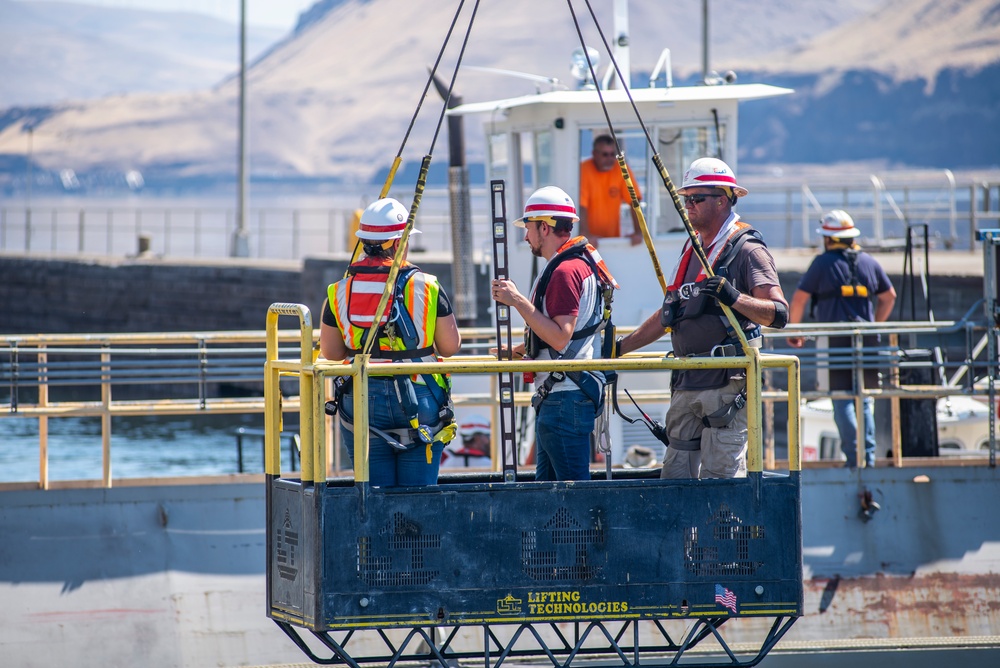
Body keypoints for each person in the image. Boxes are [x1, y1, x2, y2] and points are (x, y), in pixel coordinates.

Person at [617, 157, 788, 479]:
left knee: (720, 483)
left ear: (722, 200)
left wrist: (733, 297)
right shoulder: (692, 249)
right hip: (687, 382)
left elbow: (778, 314)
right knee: (675, 480)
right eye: (685, 200)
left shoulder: (748, 250)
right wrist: (619, 349)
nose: (688, 207)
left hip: (726, 387)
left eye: (696, 199)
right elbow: (669, 313)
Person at [319, 197, 462, 487]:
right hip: (419, 396)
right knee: (418, 500)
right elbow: (449, 347)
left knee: (373, 499)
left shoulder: (339, 290)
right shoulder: (427, 285)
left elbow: (331, 353)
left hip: (361, 395)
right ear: (397, 243)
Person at [491, 186, 618, 481]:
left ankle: (585, 532)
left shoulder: (564, 272)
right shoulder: (576, 266)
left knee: (572, 501)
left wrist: (517, 300)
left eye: (529, 228)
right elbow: (568, 335)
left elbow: (561, 336)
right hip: (565, 397)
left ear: (544, 228)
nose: (526, 236)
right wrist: (519, 352)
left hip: (564, 400)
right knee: (551, 498)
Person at [787, 210, 896, 468]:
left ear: (828, 238)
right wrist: (874, 327)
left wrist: (796, 331)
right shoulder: (869, 262)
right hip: (866, 342)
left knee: (842, 399)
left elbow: (800, 299)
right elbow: (888, 296)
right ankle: (867, 458)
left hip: (835, 342)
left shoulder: (822, 264)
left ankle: (853, 457)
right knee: (864, 399)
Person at [578, 134, 643, 246]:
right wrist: (585, 234)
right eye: (605, 154)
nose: (609, 159)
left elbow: (634, 201)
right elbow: (581, 206)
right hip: (588, 243)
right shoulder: (583, 170)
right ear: (594, 154)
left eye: (613, 154)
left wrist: (639, 232)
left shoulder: (621, 169)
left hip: (613, 241)